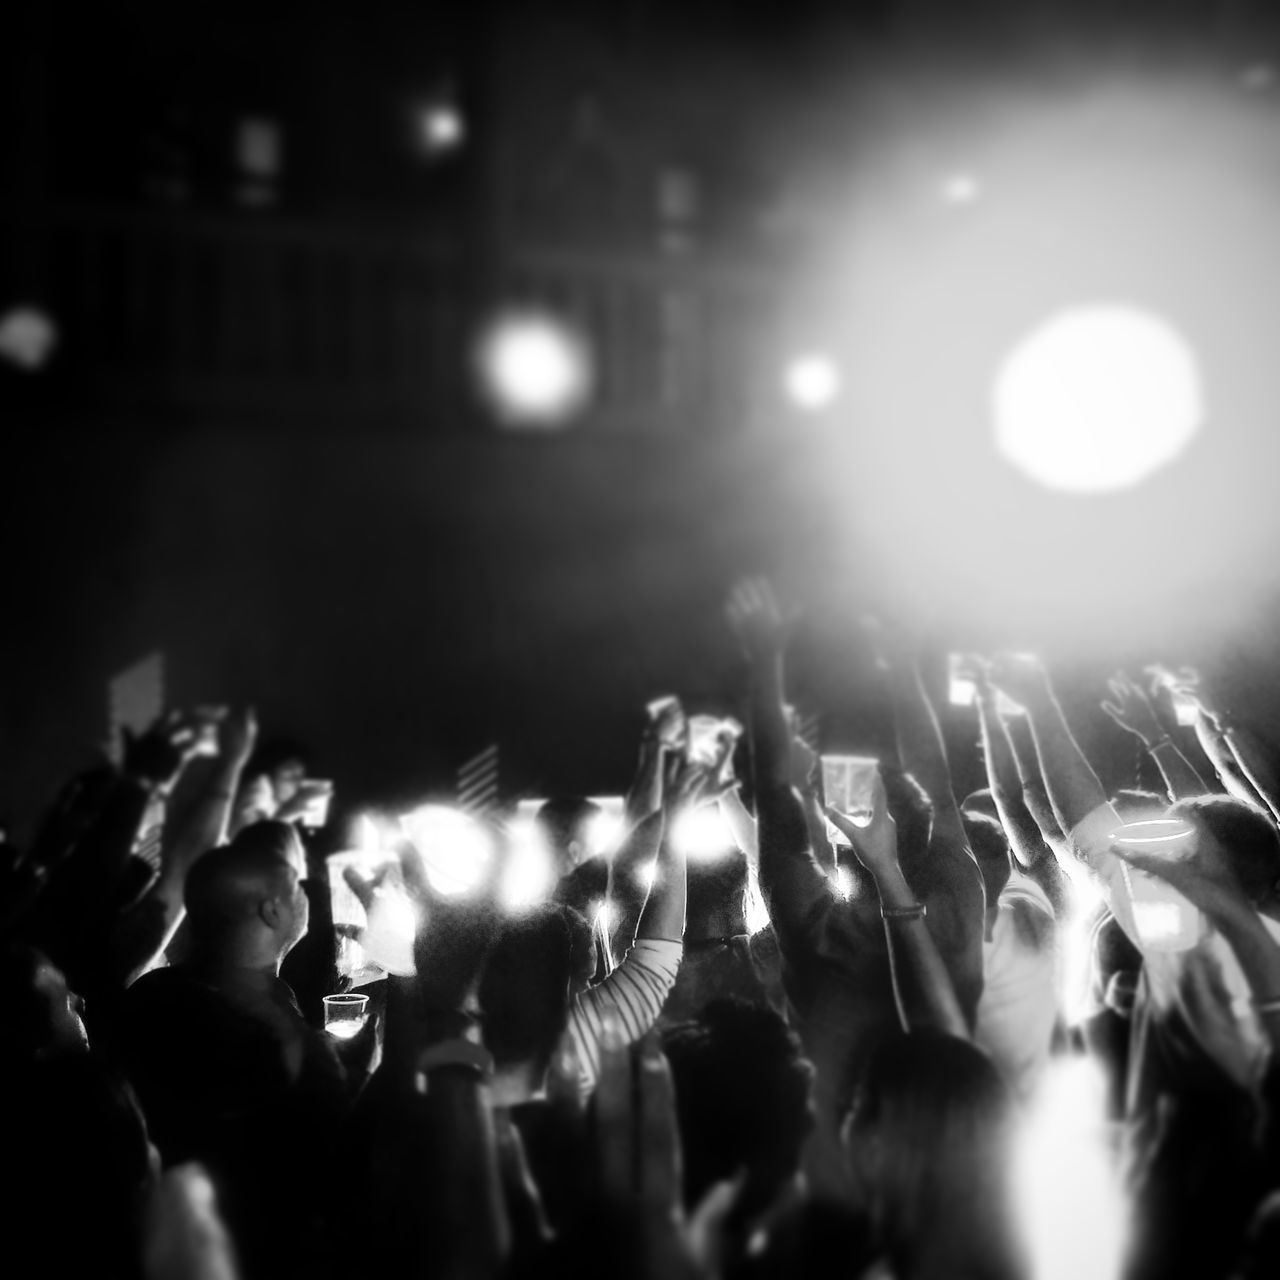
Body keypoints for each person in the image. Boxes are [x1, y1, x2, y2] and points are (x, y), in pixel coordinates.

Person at [117, 821, 357, 1279]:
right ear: (272, 911)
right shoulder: (280, 1041)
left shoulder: (149, 993)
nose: (307, 893)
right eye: (296, 887)